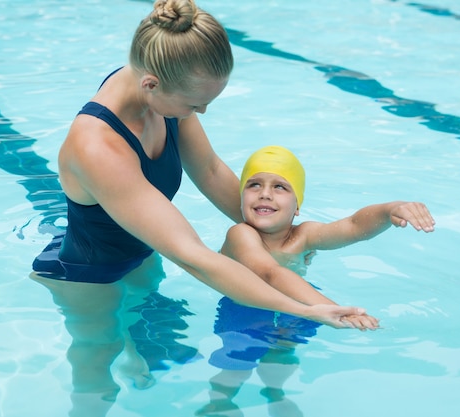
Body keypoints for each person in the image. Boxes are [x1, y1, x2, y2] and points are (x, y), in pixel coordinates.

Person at [29, 1, 368, 415]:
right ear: (151, 85)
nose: (201, 112)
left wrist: (280, 237)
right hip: (90, 276)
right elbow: (194, 257)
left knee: (146, 330)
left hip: (142, 251)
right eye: (195, 105)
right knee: (96, 371)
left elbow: (208, 170)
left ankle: (136, 357)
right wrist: (305, 309)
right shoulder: (97, 146)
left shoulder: (159, 80)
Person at [197, 145, 435, 415]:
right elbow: (269, 273)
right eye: (254, 185)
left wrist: (389, 210)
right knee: (236, 359)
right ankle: (222, 400)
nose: (265, 193)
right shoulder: (241, 234)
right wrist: (330, 308)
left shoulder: (304, 236)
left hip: (302, 299)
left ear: (297, 206)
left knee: (284, 352)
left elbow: (354, 227)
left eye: (280, 187)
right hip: (246, 306)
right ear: (241, 199)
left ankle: (275, 392)